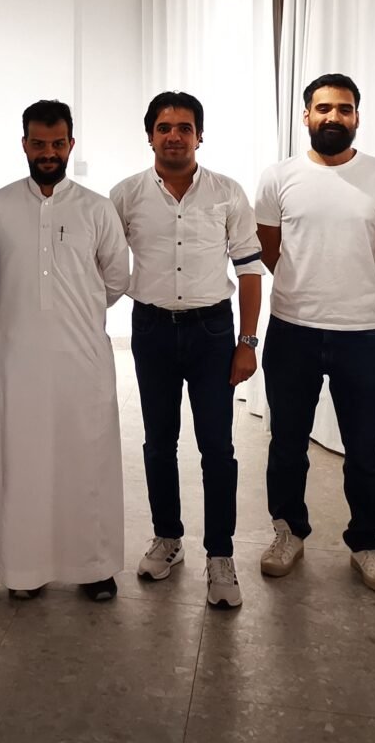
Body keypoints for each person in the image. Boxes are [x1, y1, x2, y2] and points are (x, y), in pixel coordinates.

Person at [254, 75, 375, 593]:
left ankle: (367, 542)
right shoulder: (279, 177)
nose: (333, 117)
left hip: (360, 332)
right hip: (292, 328)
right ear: (306, 116)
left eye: (344, 109)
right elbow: (268, 248)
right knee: (287, 442)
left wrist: (353, 284)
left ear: (357, 117)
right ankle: (288, 531)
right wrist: (309, 286)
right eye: (323, 108)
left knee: (364, 446)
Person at [110, 91, 264, 609]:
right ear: (149, 135)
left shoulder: (227, 192)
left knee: (217, 447)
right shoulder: (125, 195)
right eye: (164, 127)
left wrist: (247, 342)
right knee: (159, 442)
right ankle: (168, 538)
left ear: (200, 135)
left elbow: (249, 269)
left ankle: (220, 554)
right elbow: (104, 262)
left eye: (184, 128)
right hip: (151, 329)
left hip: (212, 332)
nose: (174, 136)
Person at [0, 100, 130, 601]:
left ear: (71, 144)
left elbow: (117, 278)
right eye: (39, 143)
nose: (49, 152)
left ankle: (93, 567)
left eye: (58, 143)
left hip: (82, 361)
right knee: (23, 461)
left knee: (87, 461)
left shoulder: (96, 208)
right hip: (16, 360)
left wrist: (77, 313)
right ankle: (26, 569)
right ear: (24, 144)